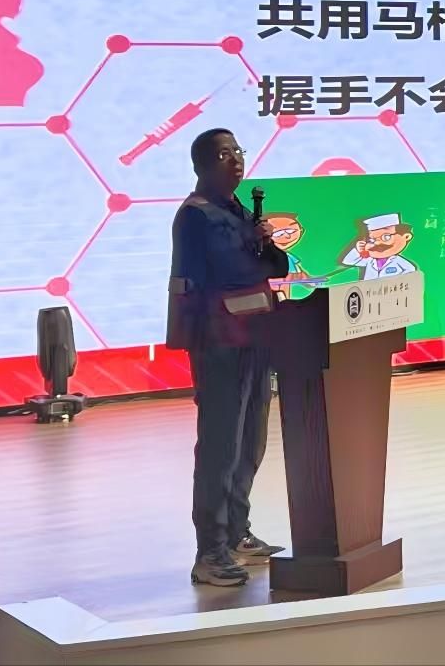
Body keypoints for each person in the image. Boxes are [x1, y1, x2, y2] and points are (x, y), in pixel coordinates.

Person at [167, 128, 288, 587]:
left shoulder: (237, 210)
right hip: (219, 340)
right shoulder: (196, 215)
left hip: (255, 336)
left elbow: (277, 268)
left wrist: (265, 242)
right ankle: (210, 551)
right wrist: (255, 248)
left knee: (251, 440)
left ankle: (238, 532)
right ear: (201, 164)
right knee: (221, 445)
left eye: (238, 150)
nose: (235, 159)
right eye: (224, 154)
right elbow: (235, 270)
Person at [338, 213, 417, 280]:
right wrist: (357, 251)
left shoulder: (399, 261)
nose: (377, 243)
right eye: (372, 240)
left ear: (406, 236)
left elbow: (411, 271)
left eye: (386, 237)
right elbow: (348, 261)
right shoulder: (369, 260)